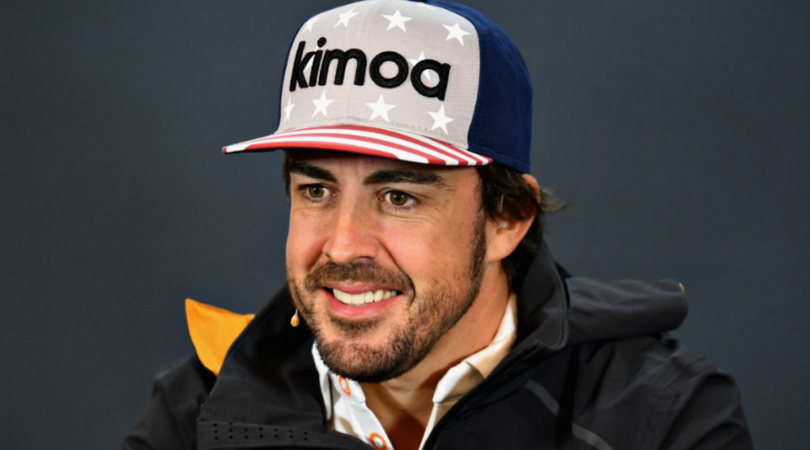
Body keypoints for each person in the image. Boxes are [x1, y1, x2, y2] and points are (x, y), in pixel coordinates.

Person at [124, 1, 752, 449]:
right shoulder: (197, 408)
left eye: (399, 197)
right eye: (316, 190)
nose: (342, 245)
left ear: (508, 217)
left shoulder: (663, 418)